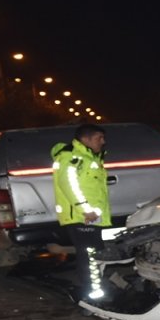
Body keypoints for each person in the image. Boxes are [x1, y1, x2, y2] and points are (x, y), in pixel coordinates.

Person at [52, 124, 111, 301]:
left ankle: (97, 290)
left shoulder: (91, 158)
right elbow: (68, 185)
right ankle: (93, 295)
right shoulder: (71, 157)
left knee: (94, 254)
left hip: (92, 217)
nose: (103, 141)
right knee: (89, 257)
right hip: (82, 217)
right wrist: (86, 210)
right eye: (98, 138)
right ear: (85, 139)